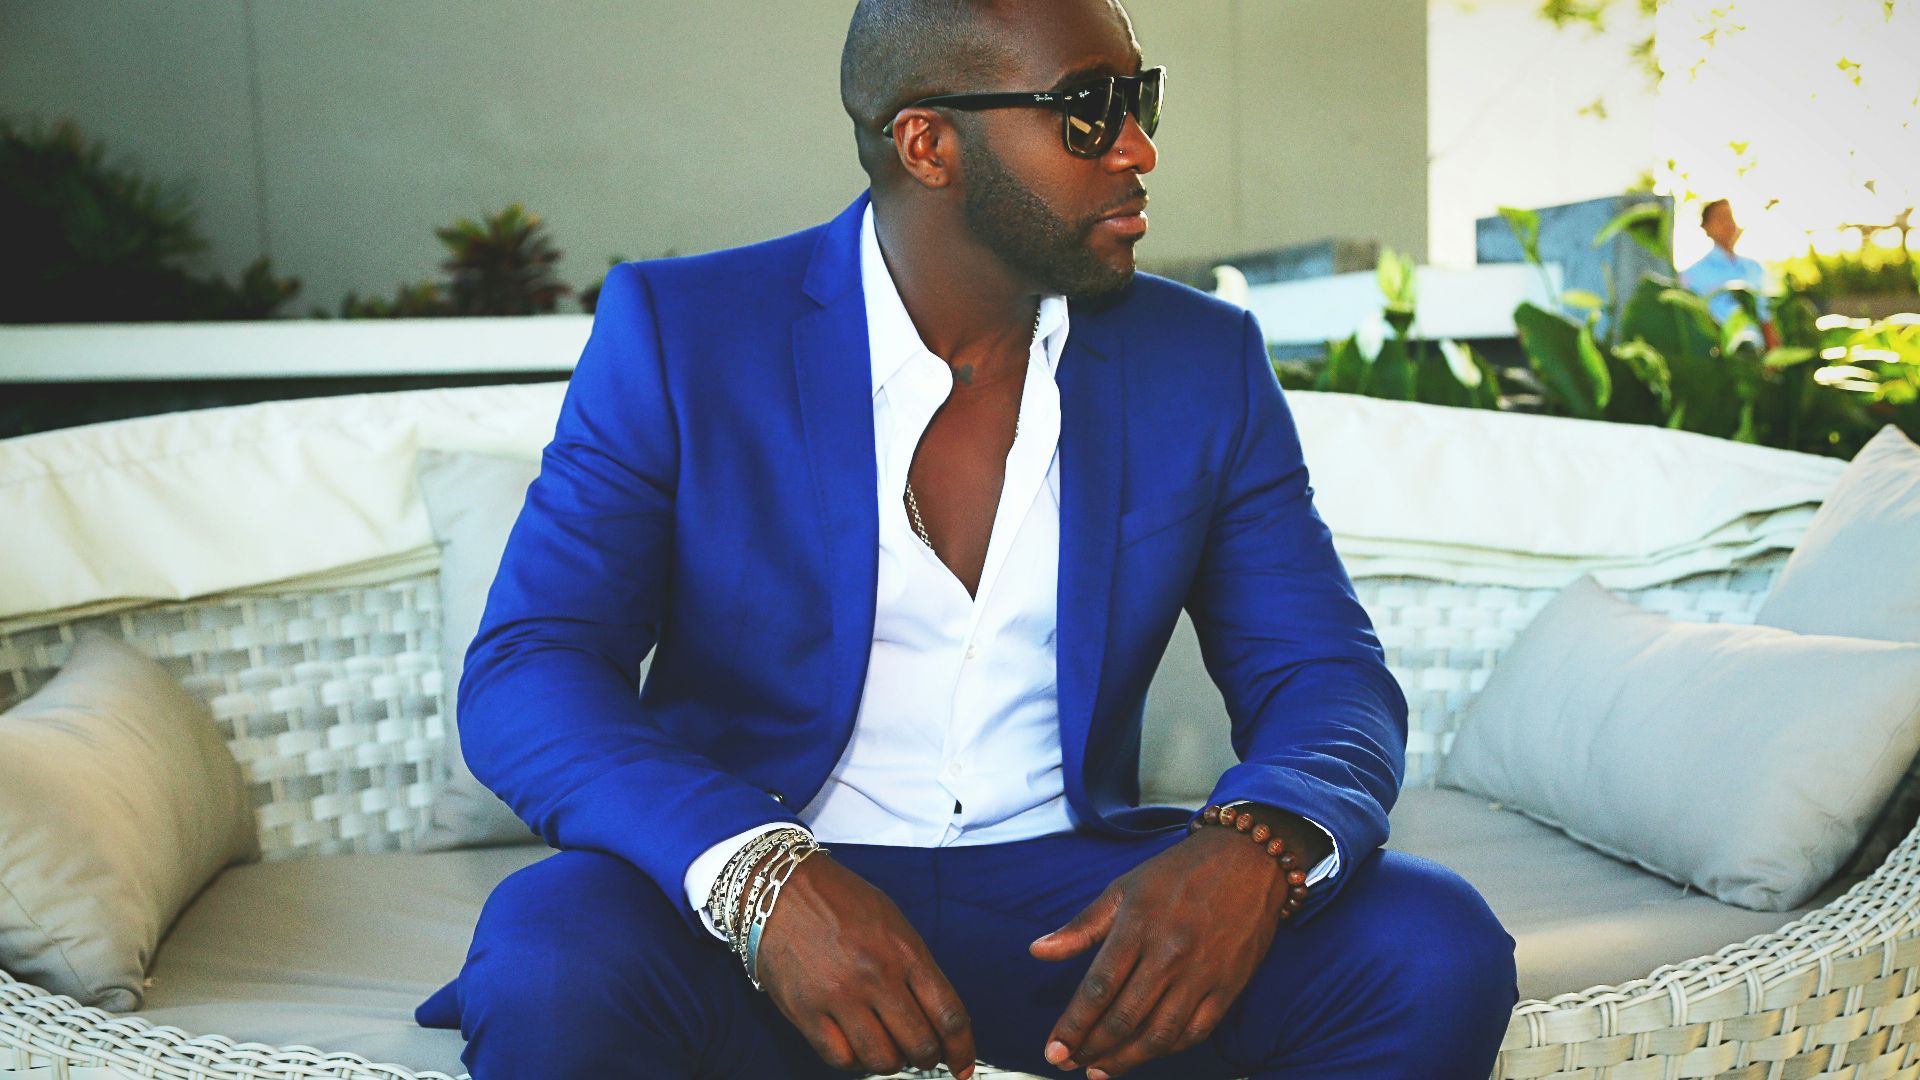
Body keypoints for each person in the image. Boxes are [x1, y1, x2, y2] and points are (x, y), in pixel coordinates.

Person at [412, 1, 1519, 1077]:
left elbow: (1324, 672)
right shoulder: (684, 333)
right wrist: (758, 880)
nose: (1136, 147)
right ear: (928, 143)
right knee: (552, 957)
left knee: (1431, 949)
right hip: (756, 912)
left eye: (1142, 99)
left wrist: (1258, 846)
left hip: (1076, 931)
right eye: (1087, 109)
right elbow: (531, 667)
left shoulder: (1202, 361)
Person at [1681, 198, 1778, 347]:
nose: (1727, 223)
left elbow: (1765, 318)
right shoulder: (1692, 275)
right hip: (1717, 358)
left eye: (1730, 217)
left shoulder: (1753, 268)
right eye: (1720, 218)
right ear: (1706, 228)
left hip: (1755, 355)